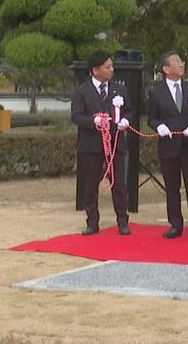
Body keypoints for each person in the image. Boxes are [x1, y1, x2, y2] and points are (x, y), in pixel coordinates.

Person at [146, 51, 188, 239]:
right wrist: (159, 126)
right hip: (169, 146)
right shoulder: (156, 92)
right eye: (177, 62)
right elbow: (152, 118)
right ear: (165, 68)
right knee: (172, 187)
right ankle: (175, 224)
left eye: (182, 61)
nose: (181, 64)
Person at [70, 50, 131, 236]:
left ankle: (122, 220)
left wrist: (126, 121)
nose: (112, 69)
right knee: (90, 184)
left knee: (119, 183)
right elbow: (76, 116)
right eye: (107, 67)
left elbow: (129, 110)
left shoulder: (119, 90)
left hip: (115, 143)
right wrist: (93, 121)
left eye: (112, 66)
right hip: (91, 145)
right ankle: (92, 221)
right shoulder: (82, 91)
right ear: (95, 70)